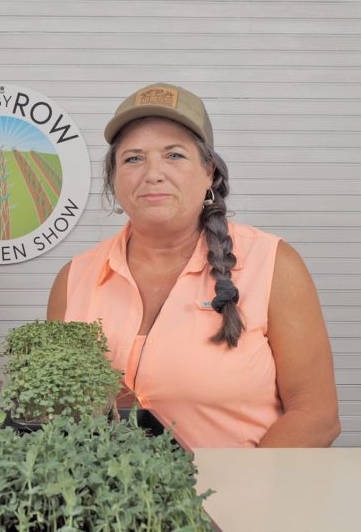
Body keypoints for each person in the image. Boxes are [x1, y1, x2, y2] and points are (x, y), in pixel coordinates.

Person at [47, 83, 340, 448]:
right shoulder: (74, 279)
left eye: (174, 155)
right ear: (114, 179)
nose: (153, 173)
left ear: (209, 173)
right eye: (134, 159)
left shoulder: (273, 266)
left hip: (239, 484)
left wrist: (237, 481)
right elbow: (56, 407)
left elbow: (316, 416)